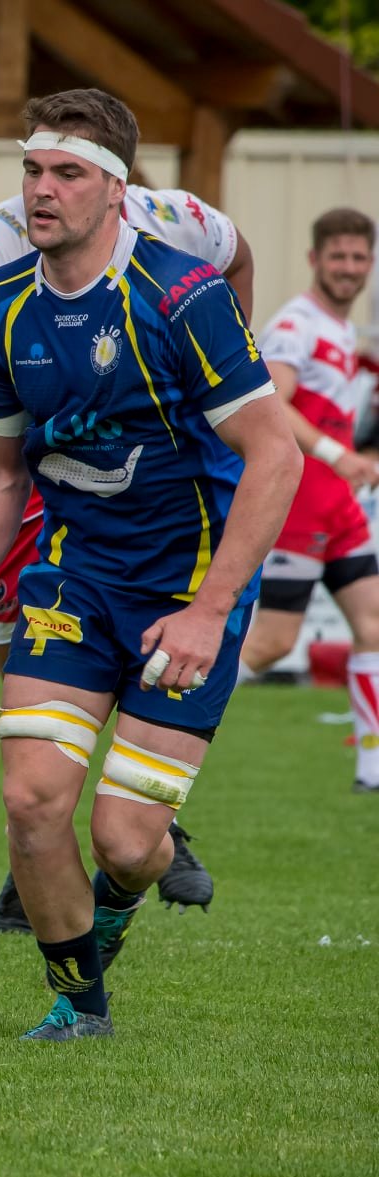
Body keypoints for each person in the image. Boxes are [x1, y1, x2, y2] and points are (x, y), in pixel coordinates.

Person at [0, 89, 301, 1041]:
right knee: (32, 801)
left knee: (127, 842)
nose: (43, 192)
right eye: (33, 172)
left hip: (186, 587)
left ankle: (117, 908)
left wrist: (210, 612)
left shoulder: (181, 294)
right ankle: (81, 1007)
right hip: (74, 578)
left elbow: (276, 454)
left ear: (118, 191)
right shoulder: (1, 306)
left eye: (68, 174)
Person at [235, 209, 379, 783]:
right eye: (338, 256)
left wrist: (351, 459)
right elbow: (270, 402)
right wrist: (335, 454)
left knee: (372, 625)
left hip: (338, 506)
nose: (349, 268)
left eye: (359, 257)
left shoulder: (341, 327)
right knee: (270, 643)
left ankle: (372, 769)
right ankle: (168, 717)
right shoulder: (297, 324)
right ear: (315, 260)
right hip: (301, 503)